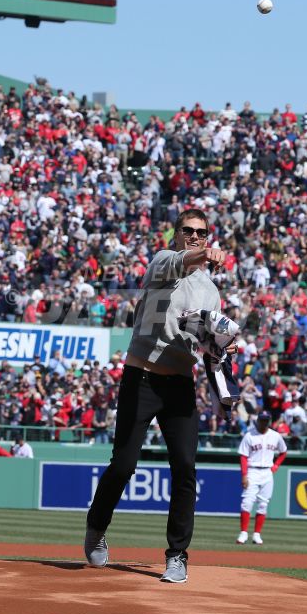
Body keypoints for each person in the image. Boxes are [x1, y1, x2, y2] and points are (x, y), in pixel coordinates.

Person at [83, 208, 233, 584]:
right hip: (142, 378)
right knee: (123, 465)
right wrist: (205, 253)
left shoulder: (211, 292)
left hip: (180, 382)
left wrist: (221, 356)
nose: (195, 236)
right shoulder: (163, 262)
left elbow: (210, 344)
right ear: (176, 233)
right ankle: (96, 527)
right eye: (188, 230)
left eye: (202, 232)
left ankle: (177, 555)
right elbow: (186, 259)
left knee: (185, 466)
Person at [236, 412, 287, 545]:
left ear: (269, 421)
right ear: (258, 420)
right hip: (252, 471)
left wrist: (276, 466)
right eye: (262, 420)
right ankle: (243, 533)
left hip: (267, 472)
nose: (264, 422)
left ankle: (257, 534)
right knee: (247, 502)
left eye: (266, 420)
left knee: (263, 504)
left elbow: (283, 451)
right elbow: (243, 457)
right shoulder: (249, 435)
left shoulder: (275, 436)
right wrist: (244, 475)